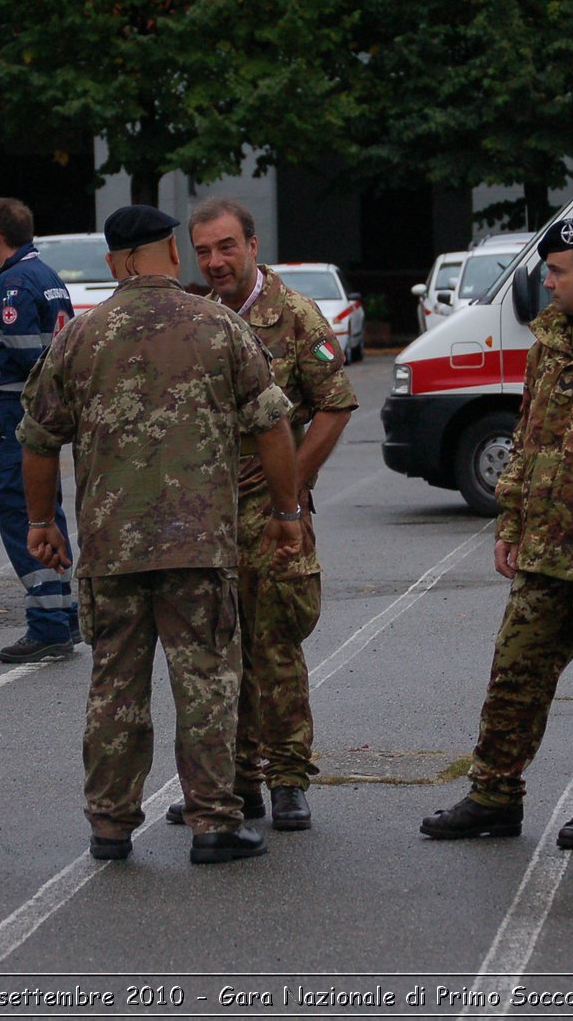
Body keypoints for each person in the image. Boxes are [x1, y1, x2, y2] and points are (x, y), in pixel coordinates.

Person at [19, 205, 299, 865]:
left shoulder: (79, 337)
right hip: (198, 546)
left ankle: (110, 825)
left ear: (115, 261)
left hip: (111, 549)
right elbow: (272, 426)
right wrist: (287, 512)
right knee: (206, 684)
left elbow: (35, 438)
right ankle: (213, 823)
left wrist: (41, 524)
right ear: (172, 252)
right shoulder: (220, 327)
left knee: (115, 686)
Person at [422, 215, 573, 849]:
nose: (546, 284)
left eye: (556, 272)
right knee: (512, 677)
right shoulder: (549, 343)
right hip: (545, 550)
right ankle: (495, 795)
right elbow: (528, 439)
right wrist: (511, 519)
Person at [167, 197, 357, 833]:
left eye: (226, 247)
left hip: (273, 515)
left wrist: (291, 489)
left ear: (252, 245)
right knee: (218, 652)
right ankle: (232, 782)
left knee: (275, 648)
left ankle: (288, 781)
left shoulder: (297, 316)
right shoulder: (203, 318)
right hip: (211, 516)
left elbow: (335, 404)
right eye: (203, 251)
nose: (216, 262)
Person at [0, 197, 80, 663]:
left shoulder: (13, 283)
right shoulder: (45, 276)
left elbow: (28, 352)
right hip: (26, 411)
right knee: (45, 508)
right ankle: (64, 612)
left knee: (21, 512)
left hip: (11, 412)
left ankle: (48, 623)